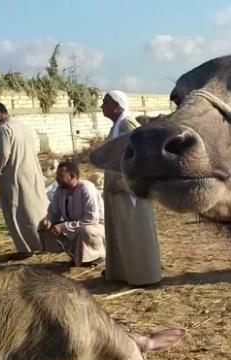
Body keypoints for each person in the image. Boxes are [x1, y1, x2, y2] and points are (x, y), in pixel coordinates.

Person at [100, 90, 162, 286]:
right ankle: (125, 272)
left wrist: (123, 184)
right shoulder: (118, 126)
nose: (102, 106)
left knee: (136, 234)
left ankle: (144, 275)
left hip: (129, 193)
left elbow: (142, 160)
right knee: (124, 234)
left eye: (105, 102)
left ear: (117, 106)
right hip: (119, 193)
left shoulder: (128, 125)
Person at [0, 101, 48, 260]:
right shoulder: (23, 126)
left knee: (15, 211)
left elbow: (4, 154)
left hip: (14, 176)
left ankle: (25, 248)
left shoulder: (4, 128)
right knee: (35, 208)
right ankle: (43, 243)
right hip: (32, 173)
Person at [40, 161, 105, 267]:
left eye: (61, 176)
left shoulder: (87, 189)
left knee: (86, 231)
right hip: (73, 224)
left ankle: (97, 256)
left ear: (72, 176)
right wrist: (49, 220)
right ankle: (76, 256)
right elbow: (53, 212)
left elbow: (91, 219)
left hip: (95, 226)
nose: (57, 178)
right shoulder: (60, 191)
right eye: (57, 175)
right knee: (45, 227)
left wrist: (63, 227)